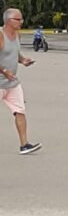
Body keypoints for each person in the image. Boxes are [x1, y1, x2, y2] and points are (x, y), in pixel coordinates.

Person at [0, 8, 42, 154]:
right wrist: (4, 71)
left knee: (20, 111)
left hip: (12, 83)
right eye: (18, 19)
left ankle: (24, 145)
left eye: (21, 19)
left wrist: (23, 60)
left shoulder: (18, 35)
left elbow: (15, 53)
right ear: (8, 21)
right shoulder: (0, 35)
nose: (21, 22)